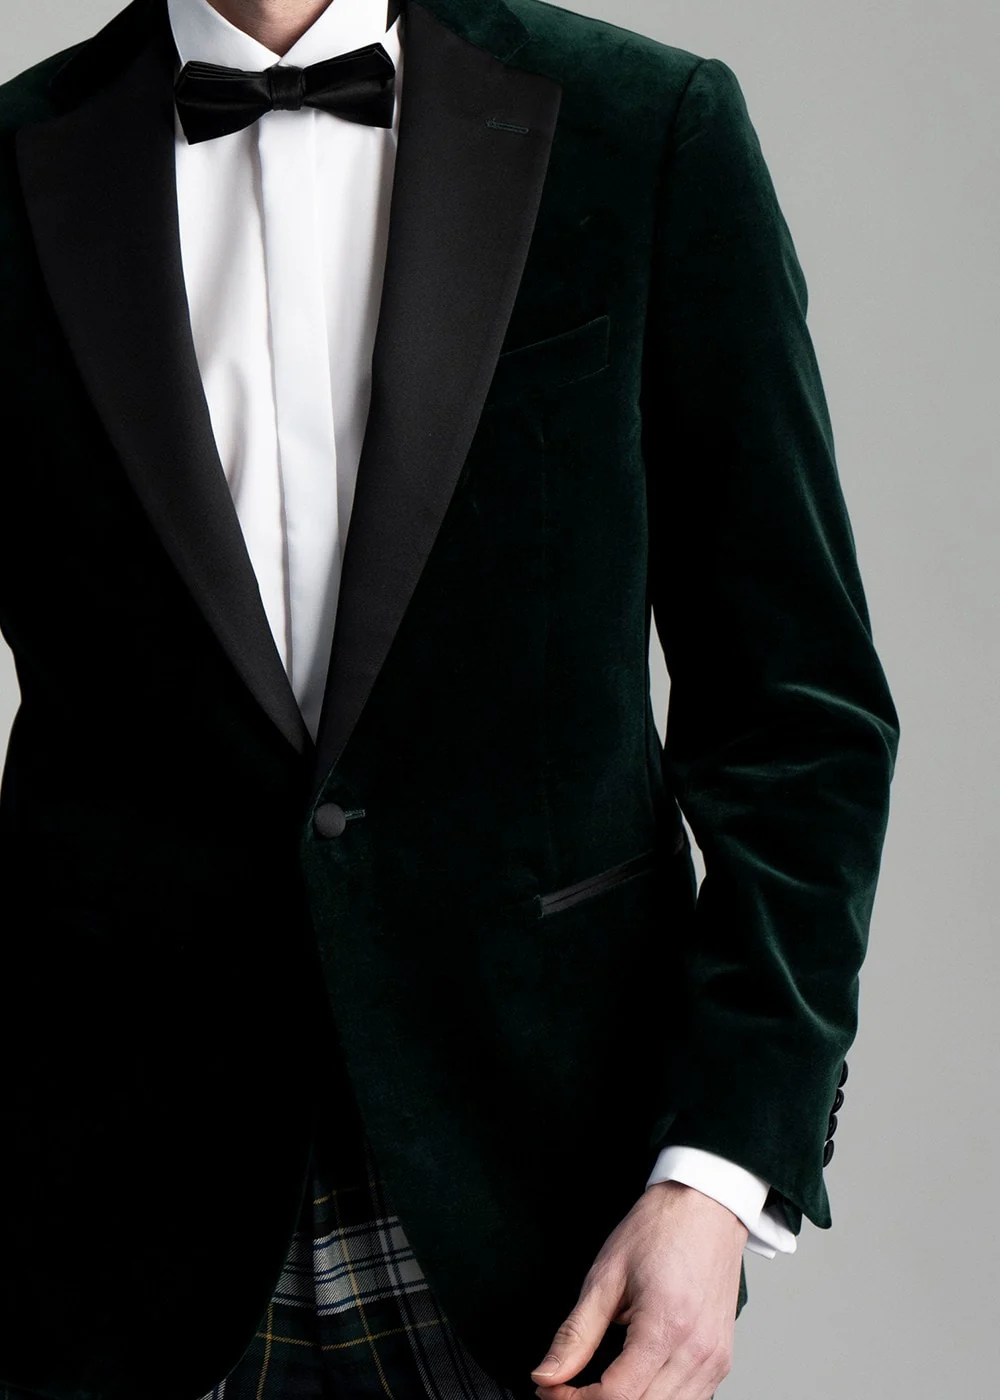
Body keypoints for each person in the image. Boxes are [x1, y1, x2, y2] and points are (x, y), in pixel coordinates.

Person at [0, 0, 900, 1395]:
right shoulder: (16, 169)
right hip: (101, 1230)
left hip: (548, 1224)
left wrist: (721, 1175)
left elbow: (801, 715)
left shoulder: (645, 129)